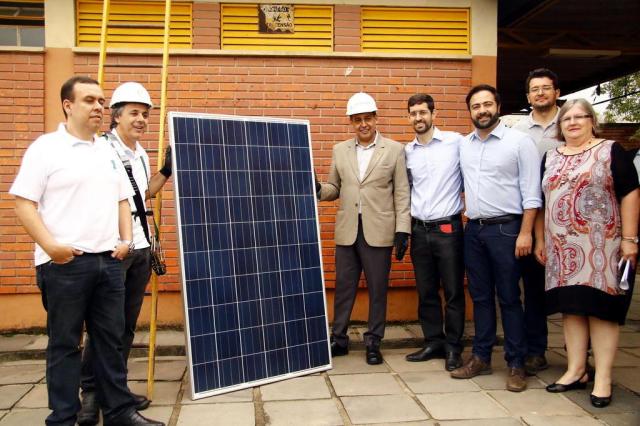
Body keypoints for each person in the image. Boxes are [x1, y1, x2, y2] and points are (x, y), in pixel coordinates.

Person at [10, 76, 163, 426]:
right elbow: (24, 203)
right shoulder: (46, 148)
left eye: (101, 101)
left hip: (109, 262)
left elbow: (122, 198)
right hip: (65, 264)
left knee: (110, 340)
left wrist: (124, 240)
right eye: (89, 100)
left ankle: (120, 411)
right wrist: (52, 247)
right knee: (65, 345)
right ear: (68, 105)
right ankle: (64, 417)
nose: (98, 107)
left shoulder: (105, 151)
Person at [534, 99, 639, 408]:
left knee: (602, 310)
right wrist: (540, 239)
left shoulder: (610, 151)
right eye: (568, 118)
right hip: (562, 249)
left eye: (581, 116)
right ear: (560, 125)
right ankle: (575, 369)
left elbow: (631, 192)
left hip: (602, 246)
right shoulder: (550, 156)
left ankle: (603, 377)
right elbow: (543, 199)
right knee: (572, 308)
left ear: (593, 121)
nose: (573, 122)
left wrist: (630, 239)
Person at [78, 82, 172, 424]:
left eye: (145, 114)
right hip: (112, 250)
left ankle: (114, 390)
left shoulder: (141, 153)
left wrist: (165, 170)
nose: (141, 119)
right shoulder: (100, 149)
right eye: (134, 113)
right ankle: (90, 393)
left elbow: (142, 195)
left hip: (141, 248)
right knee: (104, 327)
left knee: (125, 327)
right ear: (115, 116)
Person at [451, 84, 541, 392]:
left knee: (509, 298)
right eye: (476, 106)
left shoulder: (520, 142)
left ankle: (516, 363)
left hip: (507, 230)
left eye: (487, 104)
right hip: (473, 229)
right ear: (470, 112)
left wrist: (526, 232)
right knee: (480, 298)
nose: (482, 110)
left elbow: (532, 193)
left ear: (498, 106)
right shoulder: (464, 145)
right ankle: (481, 357)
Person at [316, 92, 411, 365]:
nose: (363, 124)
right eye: (357, 120)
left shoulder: (394, 150)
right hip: (347, 230)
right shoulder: (340, 150)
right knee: (344, 287)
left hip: (379, 231)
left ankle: (373, 342)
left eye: (367, 118)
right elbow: (335, 188)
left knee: (377, 288)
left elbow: (402, 193)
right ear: (351, 122)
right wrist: (319, 188)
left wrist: (402, 230)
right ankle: (339, 339)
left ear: (376, 118)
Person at [403, 94, 465, 371]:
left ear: (433, 114)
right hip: (419, 230)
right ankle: (433, 342)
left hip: (448, 229)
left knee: (453, 291)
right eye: (413, 113)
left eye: (423, 112)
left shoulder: (456, 143)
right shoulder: (407, 152)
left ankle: (453, 346)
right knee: (426, 290)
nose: (418, 118)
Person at [513, 68, 563, 375]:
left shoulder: (572, 121)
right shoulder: (518, 131)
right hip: (532, 218)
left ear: (557, 92)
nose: (540, 93)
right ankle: (536, 349)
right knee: (532, 289)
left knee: (574, 289)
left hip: (569, 221)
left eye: (546, 88)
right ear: (528, 96)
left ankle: (581, 354)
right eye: (535, 89)